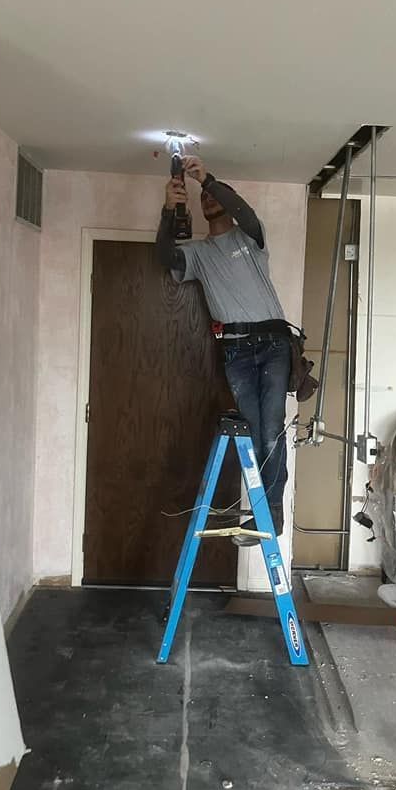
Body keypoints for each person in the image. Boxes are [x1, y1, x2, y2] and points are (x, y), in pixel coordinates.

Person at [155, 155, 291, 546]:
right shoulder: (197, 254)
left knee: (270, 433)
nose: (210, 201)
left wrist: (207, 180)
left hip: (273, 344)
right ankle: (265, 514)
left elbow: (244, 212)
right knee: (257, 433)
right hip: (235, 351)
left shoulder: (250, 237)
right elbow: (166, 257)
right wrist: (168, 210)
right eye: (205, 199)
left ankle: (272, 515)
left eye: (216, 197)